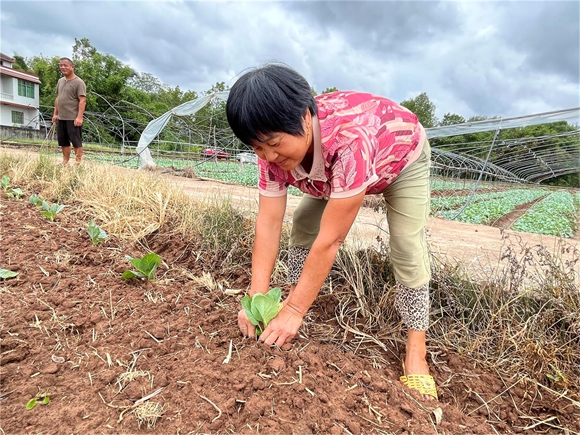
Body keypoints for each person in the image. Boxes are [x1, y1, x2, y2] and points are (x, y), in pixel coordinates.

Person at [226, 64, 437, 400]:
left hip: (400, 157)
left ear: (306, 120)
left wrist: (295, 312)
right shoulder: (271, 153)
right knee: (304, 222)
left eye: (274, 144)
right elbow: (267, 224)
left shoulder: (350, 140)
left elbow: (332, 240)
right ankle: (296, 291)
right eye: (257, 148)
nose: (268, 156)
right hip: (337, 170)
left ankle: (416, 348)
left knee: (406, 244)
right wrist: (257, 300)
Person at [52, 57, 86, 165]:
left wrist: (79, 117)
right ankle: (65, 161)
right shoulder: (60, 81)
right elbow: (58, 98)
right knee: (63, 142)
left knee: (76, 142)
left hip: (73, 118)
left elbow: (82, 100)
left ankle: (77, 163)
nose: (62, 67)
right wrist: (55, 113)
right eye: (61, 65)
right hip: (61, 117)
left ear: (72, 67)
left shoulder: (79, 82)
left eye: (65, 65)